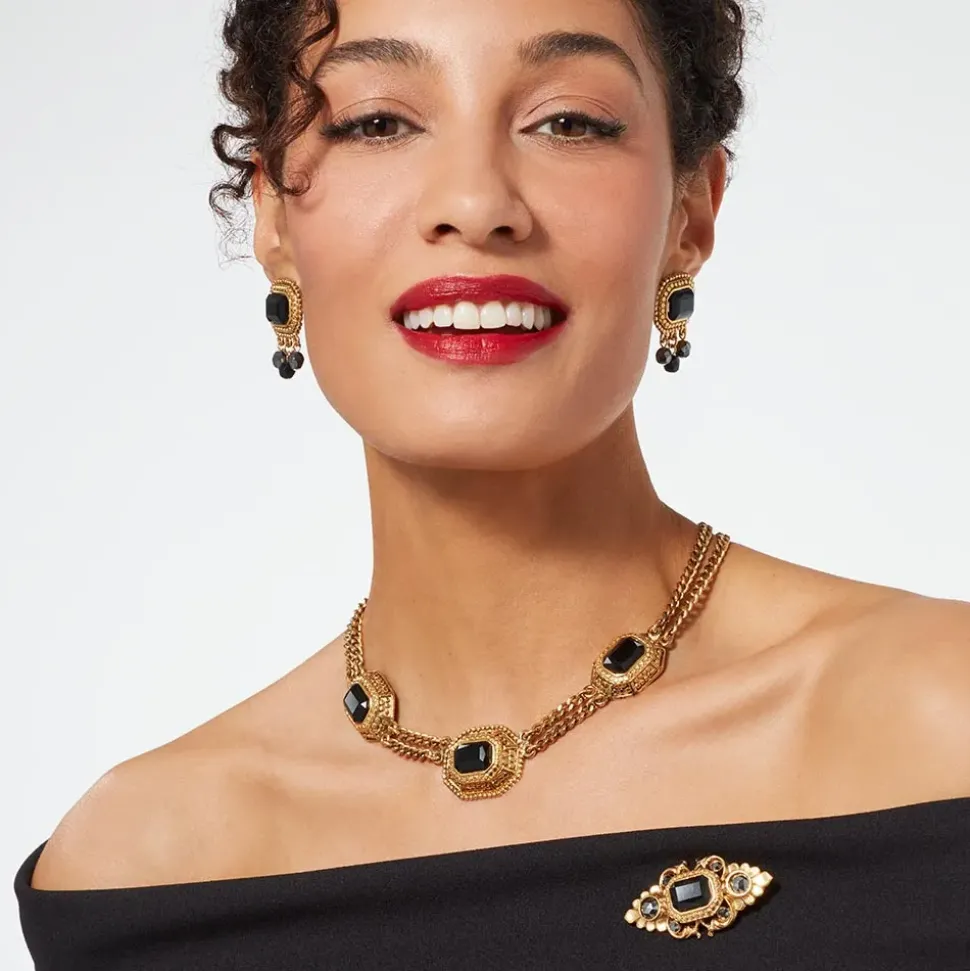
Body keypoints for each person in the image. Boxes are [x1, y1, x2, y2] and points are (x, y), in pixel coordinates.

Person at [13, 0, 970, 967]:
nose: (475, 204)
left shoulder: (939, 720)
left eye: (569, 122)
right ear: (273, 218)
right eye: (378, 123)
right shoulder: (144, 866)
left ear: (690, 212)